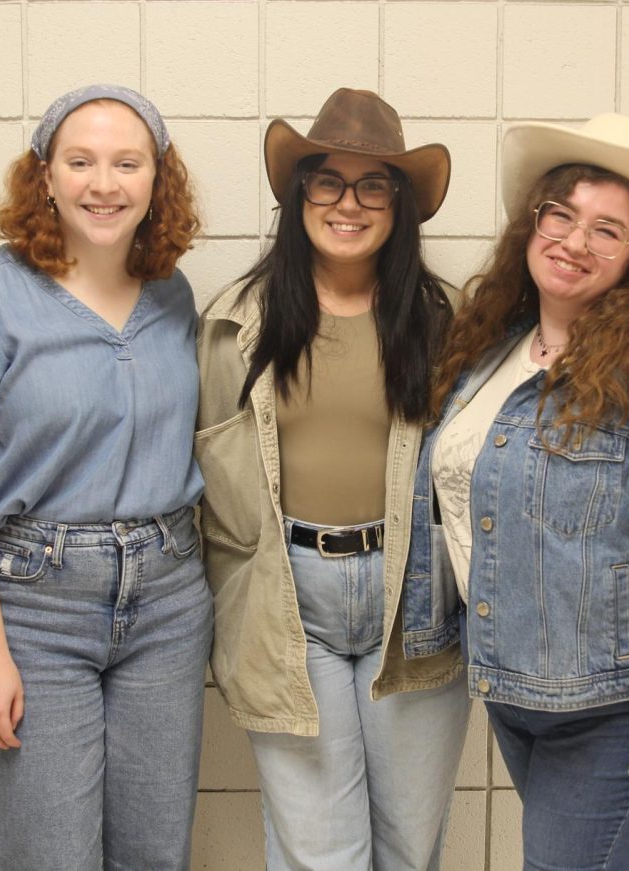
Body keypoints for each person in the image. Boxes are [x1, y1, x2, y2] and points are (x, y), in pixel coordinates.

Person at [406, 114, 629, 870]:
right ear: (532, 223)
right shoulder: (489, 356)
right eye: (562, 214)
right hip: (513, 694)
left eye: (607, 229)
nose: (574, 241)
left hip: (612, 717)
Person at [0, 84, 211, 870]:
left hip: (170, 601)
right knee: (48, 851)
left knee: (155, 849)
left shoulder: (171, 293)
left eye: (127, 163)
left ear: (157, 179)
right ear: (44, 176)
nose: (103, 184)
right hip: (37, 605)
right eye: (80, 162)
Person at [195, 88, 471, 870]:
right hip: (289, 604)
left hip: (413, 600)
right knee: (322, 853)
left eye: (373, 185)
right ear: (299, 193)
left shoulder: (447, 324)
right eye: (328, 182)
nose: (348, 204)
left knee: (409, 848)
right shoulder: (231, 325)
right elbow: (201, 495)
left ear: (398, 205)